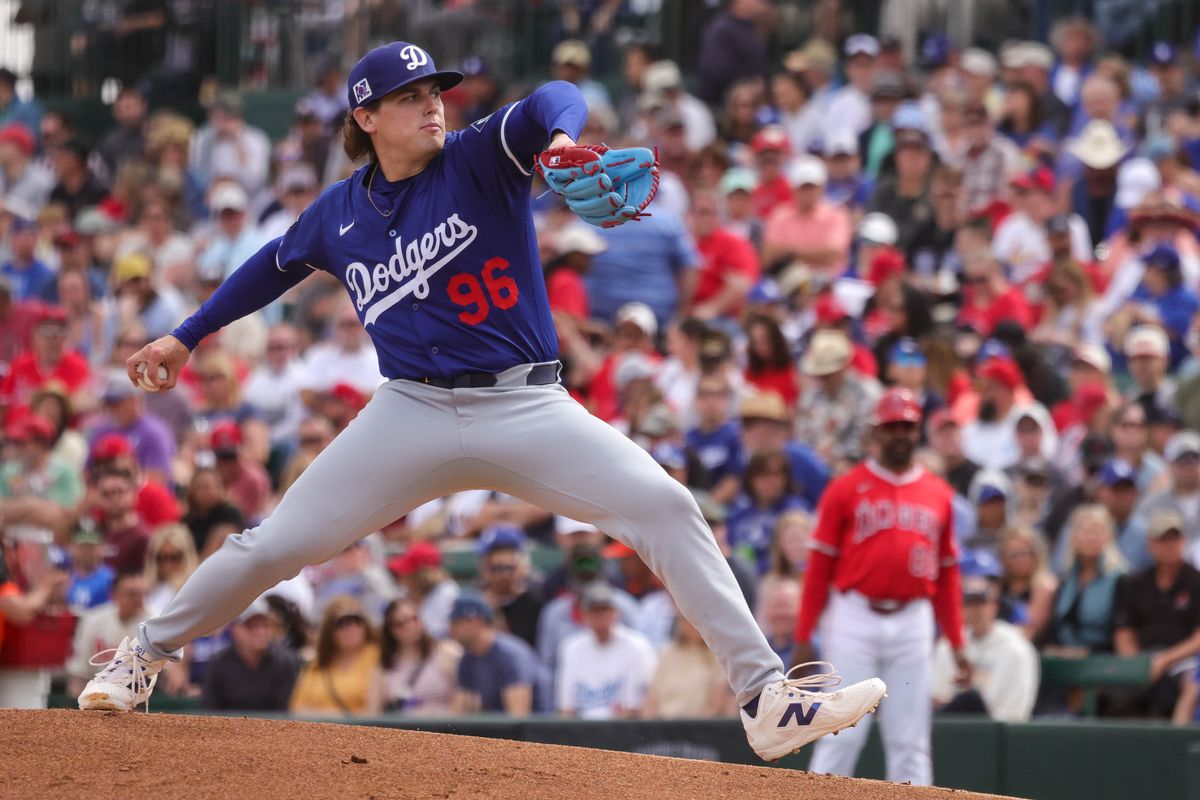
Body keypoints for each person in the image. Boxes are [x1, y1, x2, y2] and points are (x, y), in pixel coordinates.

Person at [78, 41, 884, 760]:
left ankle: (767, 699)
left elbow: (548, 103)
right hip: (410, 411)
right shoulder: (339, 213)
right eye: (410, 96)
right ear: (366, 115)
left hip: (526, 406)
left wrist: (563, 143)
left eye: (436, 91)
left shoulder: (477, 157)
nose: (433, 104)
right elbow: (275, 262)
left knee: (666, 507)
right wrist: (186, 334)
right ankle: (141, 655)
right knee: (275, 546)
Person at [794, 388, 965, 786]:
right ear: (875, 431)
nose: (899, 434)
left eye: (906, 426)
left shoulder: (939, 493)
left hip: (913, 620)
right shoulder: (845, 488)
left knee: (910, 740)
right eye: (891, 426)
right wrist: (804, 634)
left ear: (918, 429)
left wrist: (956, 643)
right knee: (840, 731)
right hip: (855, 616)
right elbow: (819, 568)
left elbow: (948, 577)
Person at [1113, 511, 1200, 719]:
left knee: (1193, 683)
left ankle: (1180, 744)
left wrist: (1163, 660)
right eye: (1163, 539)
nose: (1169, 545)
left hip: (1183, 658)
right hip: (1143, 656)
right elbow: (1124, 630)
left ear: (1183, 541)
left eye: (1174, 538)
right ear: (1150, 544)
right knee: (1110, 687)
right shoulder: (1135, 582)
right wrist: (1134, 664)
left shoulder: (1196, 581)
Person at [932, 573, 1040, 722]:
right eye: (969, 604)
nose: (975, 611)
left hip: (996, 731)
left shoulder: (1017, 648)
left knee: (971, 699)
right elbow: (937, 698)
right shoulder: (948, 647)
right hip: (952, 728)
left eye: (981, 603)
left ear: (994, 607)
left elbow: (1015, 714)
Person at [557, 582, 658, 719]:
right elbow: (566, 708)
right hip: (580, 731)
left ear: (616, 613)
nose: (600, 617)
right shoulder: (571, 647)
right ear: (584, 615)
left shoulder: (637, 645)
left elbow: (635, 707)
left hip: (623, 730)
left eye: (605, 611)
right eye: (594, 611)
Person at [450, 592, 542, 716]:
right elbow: (458, 716)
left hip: (540, 731)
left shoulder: (509, 654)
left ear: (475, 621)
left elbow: (518, 717)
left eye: (456, 623)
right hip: (499, 731)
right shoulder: (468, 658)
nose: (450, 628)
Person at [289, 595, 382, 716]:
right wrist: (328, 717)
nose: (351, 627)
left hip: (359, 732)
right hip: (316, 732)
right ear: (330, 630)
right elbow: (296, 709)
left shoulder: (377, 657)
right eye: (342, 623)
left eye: (357, 620)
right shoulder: (318, 664)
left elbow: (373, 711)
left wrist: (333, 717)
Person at [201, 597, 299, 712]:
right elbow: (209, 710)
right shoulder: (218, 663)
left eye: (265, 625)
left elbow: (288, 711)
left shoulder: (286, 662)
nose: (260, 632)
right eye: (251, 626)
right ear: (236, 630)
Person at [65, 571, 150, 699]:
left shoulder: (152, 626)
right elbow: (78, 674)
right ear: (114, 595)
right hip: (95, 694)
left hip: (138, 699)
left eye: (141, 594)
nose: (139, 600)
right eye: (132, 594)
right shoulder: (93, 621)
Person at [379, 598, 461, 715]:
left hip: (443, 728)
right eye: (400, 624)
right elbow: (375, 712)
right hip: (403, 730)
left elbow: (461, 698)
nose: (410, 626)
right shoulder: (384, 666)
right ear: (390, 630)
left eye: (414, 619)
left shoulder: (446, 651)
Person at [476, 525, 544, 648]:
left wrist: (495, 616)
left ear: (522, 568)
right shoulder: (476, 602)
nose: (503, 576)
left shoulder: (535, 603)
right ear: (484, 570)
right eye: (495, 568)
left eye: (509, 568)